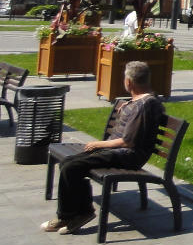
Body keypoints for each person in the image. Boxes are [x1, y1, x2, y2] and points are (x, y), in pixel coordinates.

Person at [40, 60, 165, 236]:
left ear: (128, 82)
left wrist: (98, 144)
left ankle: (77, 214)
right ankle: (73, 213)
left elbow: (127, 142)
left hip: (127, 155)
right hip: (119, 151)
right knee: (69, 163)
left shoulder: (145, 105)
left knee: (71, 166)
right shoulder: (141, 101)